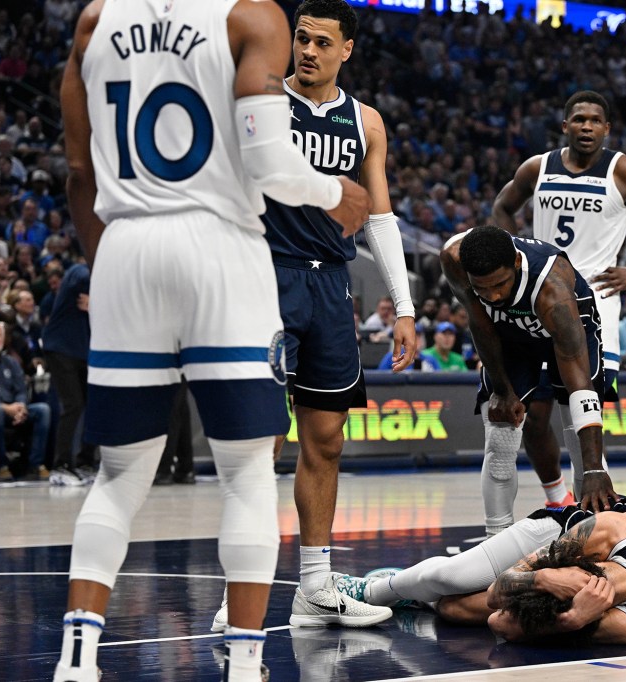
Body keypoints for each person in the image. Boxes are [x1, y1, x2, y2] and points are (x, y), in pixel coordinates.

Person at [54, 0, 371, 679]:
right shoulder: (251, 17)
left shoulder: (93, 21)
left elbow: (78, 170)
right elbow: (265, 158)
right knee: (248, 472)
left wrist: (106, 259)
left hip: (128, 246)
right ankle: (246, 665)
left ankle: (77, 660)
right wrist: (332, 193)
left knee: (118, 474)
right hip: (222, 249)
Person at [211, 0, 414, 634]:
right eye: (302, 39)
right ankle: (236, 594)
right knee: (261, 443)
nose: (308, 51)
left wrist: (403, 306)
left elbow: (378, 217)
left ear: (346, 50)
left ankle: (316, 587)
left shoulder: (367, 123)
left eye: (323, 43)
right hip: (265, 276)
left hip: (330, 289)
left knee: (325, 440)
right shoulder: (262, 101)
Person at [491, 90, 626, 518]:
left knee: (580, 416)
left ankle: (593, 515)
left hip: (593, 304)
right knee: (531, 413)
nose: (587, 126)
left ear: (607, 128)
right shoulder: (537, 167)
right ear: (565, 126)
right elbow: (502, 207)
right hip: (537, 297)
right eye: (579, 119)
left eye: (595, 120)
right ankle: (557, 499)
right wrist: (515, 256)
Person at [441, 225, 616, 536]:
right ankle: (495, 540)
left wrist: (594, 469)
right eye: (482, 288)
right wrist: (503, 390)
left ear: (517, 265)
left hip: (565, 327)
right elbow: (481, 324)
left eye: (499, 284)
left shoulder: (553, 291)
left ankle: (585, 538)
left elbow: (581, 387)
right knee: (500, 439)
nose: (493, 295)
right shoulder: (453, 259)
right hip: (510, 336)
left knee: (580, 443)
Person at [336, 496, 626, 644]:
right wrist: (542, 574)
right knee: (450, 577)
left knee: (452, 609)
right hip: (560, 532)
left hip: (569, 579)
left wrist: (570, 621)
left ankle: (418, 599)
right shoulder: (607, 534)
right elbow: (499, 591)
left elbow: (499, 619)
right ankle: (367, 590)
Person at [42, 262, 97, 485]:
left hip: (83, 351)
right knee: (73, 405)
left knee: (94, 405)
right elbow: (82, 279)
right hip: (62, 348)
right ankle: (61, 465)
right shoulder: (79, 271)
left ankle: (85, 462)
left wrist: (98, 303)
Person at [0, 319, 51, 481]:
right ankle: (1, 466)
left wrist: (20, 406)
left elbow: (21, 389)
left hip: (13, 409)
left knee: (43, 409)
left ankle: (35, 465)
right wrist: (4, 407)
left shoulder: (11, 362)